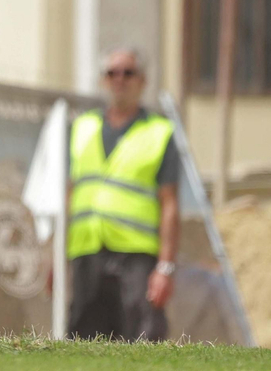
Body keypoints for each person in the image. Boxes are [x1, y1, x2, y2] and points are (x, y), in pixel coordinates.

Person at [67, 47, 179, 341]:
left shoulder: (160, 131)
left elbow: (169, 203)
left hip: (136, 255)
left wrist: (165, 267)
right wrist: (53, 255)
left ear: (143, 81)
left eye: (128, 73)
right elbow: (68, 193)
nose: (120, 80)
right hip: (87, 251)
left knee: (142, 339)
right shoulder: (81, 127)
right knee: (83, 343)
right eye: (112, 73)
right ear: (103, 81)